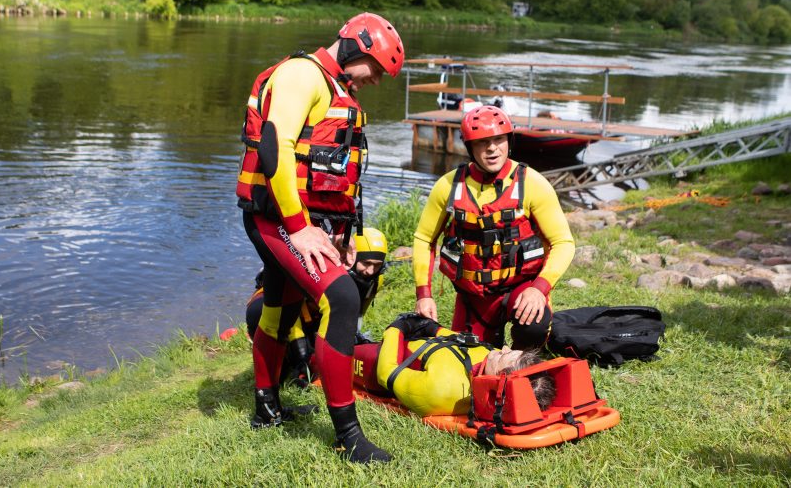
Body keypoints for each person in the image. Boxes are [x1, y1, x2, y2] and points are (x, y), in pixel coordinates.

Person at [237, 13, 404, 463]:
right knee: (344, 298)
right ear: (356, 46)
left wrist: (342, 234)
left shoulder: (334, 88)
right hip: (275, 217)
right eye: (377, 68)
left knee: (282, 307)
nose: (377, 80)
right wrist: (298, 227)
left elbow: (334, 173)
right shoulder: (301, 75)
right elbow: (275, 147)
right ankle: (349, 438)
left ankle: (266, 409)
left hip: (300, 220)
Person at [412, 105, 575, 349]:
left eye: (498, 139)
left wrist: (539, 289)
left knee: (534, 326)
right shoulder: (448, 186)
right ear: (470, 147)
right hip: (473, 297)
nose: (491, 148)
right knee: (468, 358)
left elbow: (563, 242)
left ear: (508, 141)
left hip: (520, 288)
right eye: (482, 142)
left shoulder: (532, 184)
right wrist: (424, 294)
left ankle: (522, 358)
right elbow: (425, 239)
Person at [244, 227, 390, 387]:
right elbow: (291, 307)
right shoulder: (322, 264)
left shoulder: (375, 281)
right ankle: (278, 369)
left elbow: (357, 313)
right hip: (284, 307)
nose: (370, 271)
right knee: (261, 317)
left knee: (319, 356)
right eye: (366, 263)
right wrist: (300, 350)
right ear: (352, 256)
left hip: (316, 315)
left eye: (377, 265)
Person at [373, 314, 555, 417]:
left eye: (503, 355)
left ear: (495, 382)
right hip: (423, 339)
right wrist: (433, 328)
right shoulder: (489, 363)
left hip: (381, 354)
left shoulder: (441, 390)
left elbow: (385, 373)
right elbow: (461, 343)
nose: (504, 347)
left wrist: (396, 328)